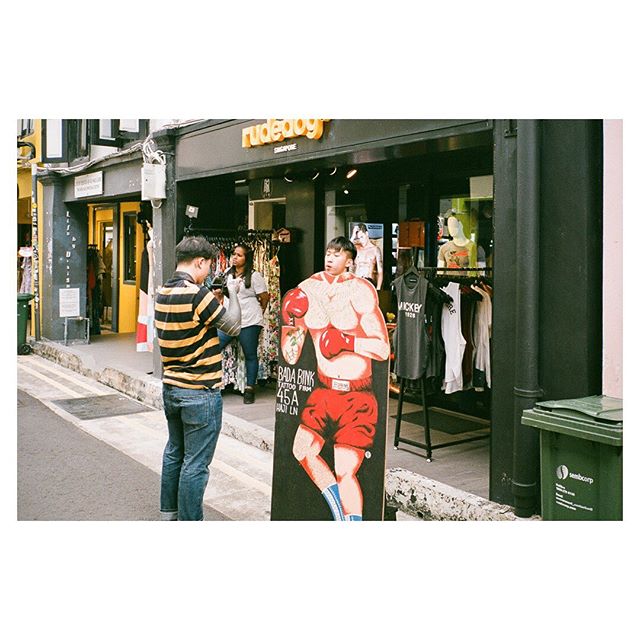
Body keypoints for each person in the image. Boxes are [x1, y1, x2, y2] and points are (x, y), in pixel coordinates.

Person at [280, 236, 390, 520]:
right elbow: (291, 352)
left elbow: (382, 349)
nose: (330, 259)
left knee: (344, 470)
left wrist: (347, 341)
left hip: (356, 395)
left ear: (349, 260)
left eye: (337, 255)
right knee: (302, 450)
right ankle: (339, 515)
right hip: (324, 390)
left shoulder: (361, 291)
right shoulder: (308, 288)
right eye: (328, 253)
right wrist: (290, 322)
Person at [155, 236, 241, 521]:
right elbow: (235, 325)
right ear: (200, 262)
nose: (210, 271)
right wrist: (232, 293)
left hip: (171, 387)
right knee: (196, 463)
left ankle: (168, 513)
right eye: (209, 265)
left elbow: (192, 332)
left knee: (174, 452)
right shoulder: (197, 294)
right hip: (200, 391)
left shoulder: (163, 292)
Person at [214, 243, 270, 404]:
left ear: (247, 258)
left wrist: (260, 312)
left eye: (239, 255)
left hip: (249, 320)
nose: (234, 257)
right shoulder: (226, 274)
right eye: (233, 254)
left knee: (250, 354)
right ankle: (214, 382)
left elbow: (265, 297)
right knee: (214, 347)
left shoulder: (254, 276)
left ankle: (250, 389)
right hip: (229, 320)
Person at [350, 223, 383, 289]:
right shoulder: (356, 248)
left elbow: (380, 271)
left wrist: (378, 288)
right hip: (357, 282)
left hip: (369, 283)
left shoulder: (375, 249)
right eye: (359, 238)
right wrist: (353, 236)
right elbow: (346, 250)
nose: (361, 240)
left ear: (367, 234)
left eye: (362, 237)